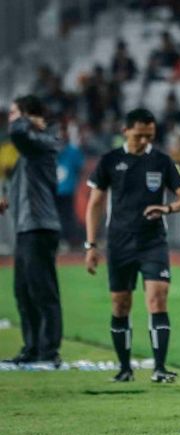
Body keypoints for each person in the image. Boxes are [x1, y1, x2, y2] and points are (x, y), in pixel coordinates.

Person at [84, 108, 180, 382]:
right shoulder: (110, 160)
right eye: (141, 134)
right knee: (120, 305)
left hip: (153, 241)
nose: (146, 139)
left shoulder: (162, 161)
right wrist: (90, 244)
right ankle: (124, 369)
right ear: (126, 131)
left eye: (150, 135)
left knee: (157, 298)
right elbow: (95, 204)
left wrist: (167, 208)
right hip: (119, 242)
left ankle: (159, 368)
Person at [0, 95, 63, 367]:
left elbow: (17, 133)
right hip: (27, 226)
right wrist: (5, 196)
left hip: (40, 226)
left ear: (28, 115)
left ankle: (49, 350)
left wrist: (25, 120)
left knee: (43, 290)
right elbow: (24, 182)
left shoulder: (44, 142)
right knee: (24, 291)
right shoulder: (31, 148)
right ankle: (33, 347)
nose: (11, 119)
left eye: (15, 113)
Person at [56, 124, 85, 249]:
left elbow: (80, 167)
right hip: (54, 190)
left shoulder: (72, 151)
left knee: (67, 216)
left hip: (67, 190)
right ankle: (61, 241)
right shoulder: (51, 151)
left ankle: (70, 241)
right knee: (58, 217)